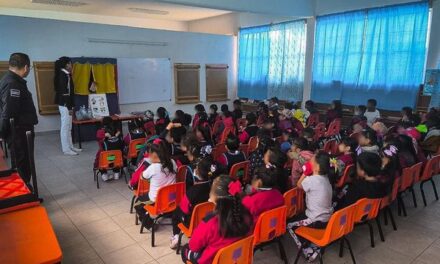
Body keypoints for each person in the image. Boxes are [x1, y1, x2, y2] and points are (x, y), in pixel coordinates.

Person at [180, 175, 252, 264]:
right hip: (237, 257)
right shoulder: (247, 214)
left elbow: (194, 246)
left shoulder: (210, 222)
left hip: (211, 260)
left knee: (185, 249)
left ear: (216, 197)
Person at [0, 53, 38, 185]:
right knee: (22, 163)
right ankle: (25, 193)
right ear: (26, 67)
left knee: (22, 162)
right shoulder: (13, 83)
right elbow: (8, 112)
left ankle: (26, 190)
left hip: (19, 130)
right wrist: (2, 134)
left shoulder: (11, 80)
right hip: (19, 132)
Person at [287, 152, 333, 262]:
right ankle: (313, 241)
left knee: (289, 225)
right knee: (299, 218)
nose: (309, 163)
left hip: (315, 219)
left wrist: (306, 172)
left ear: (316, 167)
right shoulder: (326, 177)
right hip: (327, 219)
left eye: (311, 161)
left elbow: (299, 185)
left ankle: (309, 251)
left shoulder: (311, 180)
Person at [170, 156, 216, 249]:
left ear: (197, 173)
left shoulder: (192, 191)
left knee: (176, 214)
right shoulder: (214, 187)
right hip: (210, 219)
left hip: (192, 223)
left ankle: (175, 237)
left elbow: (184, 209)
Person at [135, 141, 177, 229]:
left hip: (156, 199)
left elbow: (142, 177)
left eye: (149, 153)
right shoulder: (172, 162)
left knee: (137, 203)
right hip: (172, 198)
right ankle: (164, 213)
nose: (148, 155)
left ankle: (149, 221)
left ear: (154, 154)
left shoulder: (153, 167)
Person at [54, 56, 81, 156]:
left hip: (68, 104)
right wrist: (69, 107)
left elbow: (70, 92)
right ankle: (66, 149)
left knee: (69, 126)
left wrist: (71, 106)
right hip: (65, 104)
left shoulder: (66, 75)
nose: (71, 65)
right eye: (70, 63)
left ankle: (70, 146)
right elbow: (64, 93)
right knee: (65, 127)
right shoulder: (62, 75)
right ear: (66, 64)